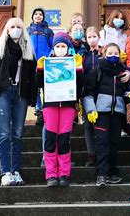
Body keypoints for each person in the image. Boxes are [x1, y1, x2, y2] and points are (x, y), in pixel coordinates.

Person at [0, 17, 37, 187]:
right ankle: (5, 172)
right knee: (4, 133)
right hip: (3, 93)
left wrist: (32, 97)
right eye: (12, 27)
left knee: (18, 133)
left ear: (23, 30)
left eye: (18, 27)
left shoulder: (28, 51)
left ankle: (16, 171)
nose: (15, 29)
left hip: (20, 94)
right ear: (7, 30)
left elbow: (33, 77)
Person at [83, 43, 130, 187]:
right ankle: (101, 175)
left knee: (114, 144)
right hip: (101, 113)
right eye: (110, 53)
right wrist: (91, 110)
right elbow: (88, 92)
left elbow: (126, 93)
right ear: (104, 54)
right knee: (102, 143)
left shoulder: (123, 72)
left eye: (116, 53)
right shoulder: (97, 69)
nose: (113, 56)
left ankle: (112, 173)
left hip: (117, 113)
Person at [37, 32, 79, 187]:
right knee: (50, 140)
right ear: (53, 49)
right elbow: (39, 84)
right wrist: (40, 69)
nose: (60, 49)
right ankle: (51, 175)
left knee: (64, 140)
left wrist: (79, 69)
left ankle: (64, 174)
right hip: (51, 106)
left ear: (68, 49)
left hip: (67, 106)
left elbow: (79, 87)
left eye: (63, 46)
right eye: (58, 46)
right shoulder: (48, 63)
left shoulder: (73, 63)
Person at [27, 7, 54, 126]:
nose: (38, 16)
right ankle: (39, 112)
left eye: (40, 14)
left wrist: (48, 58)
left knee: (46, 88)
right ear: (32, 16)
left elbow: (53, 46)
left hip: (45, 64)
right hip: (32, 63)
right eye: (36, 14)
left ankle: (48, 111)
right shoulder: (27, 30)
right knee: (35, 89)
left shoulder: (48, 31)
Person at [82, 26, 101, 167]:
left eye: (94, 36)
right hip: (87, 93)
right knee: (88, 125)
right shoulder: (83, 55)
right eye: (89, 37)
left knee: (101, 123)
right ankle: (91, 154)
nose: (92, 39)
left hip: (102, 92)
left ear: (99, 38)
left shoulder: (104, 52)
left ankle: (102, 153)